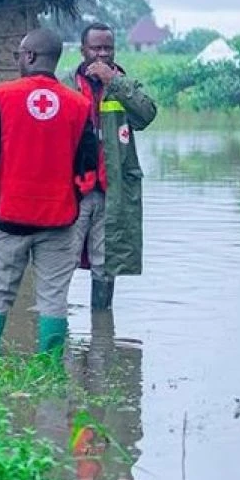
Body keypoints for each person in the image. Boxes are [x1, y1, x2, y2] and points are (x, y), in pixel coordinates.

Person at [0, 28, 98, 357]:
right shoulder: (79, 104)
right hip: (59, 219)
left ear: (30, 56)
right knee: (54, 297)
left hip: (8, 217)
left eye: (19, 54)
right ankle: (50, 372)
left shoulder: (1, 96)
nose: (18, 59)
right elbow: (88, 159)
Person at [72, 22, 158, 310]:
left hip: (113, 189)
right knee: (60, 259)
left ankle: (102, 335)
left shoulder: (123, 84)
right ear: (83, 49)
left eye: (108, 48)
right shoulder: (66, 83)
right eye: (95, 48)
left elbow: (146, 115)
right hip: (74, 189)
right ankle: (56, 338)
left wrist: (113, 81)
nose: (102, 54)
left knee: (105, 264)